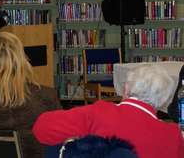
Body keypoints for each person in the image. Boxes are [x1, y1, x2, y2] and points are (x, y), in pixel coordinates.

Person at [32, 64, 184, 158]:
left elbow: (41, 128)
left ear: (125, 88)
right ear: (164, 99)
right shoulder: (173, 135)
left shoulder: (99, 113)